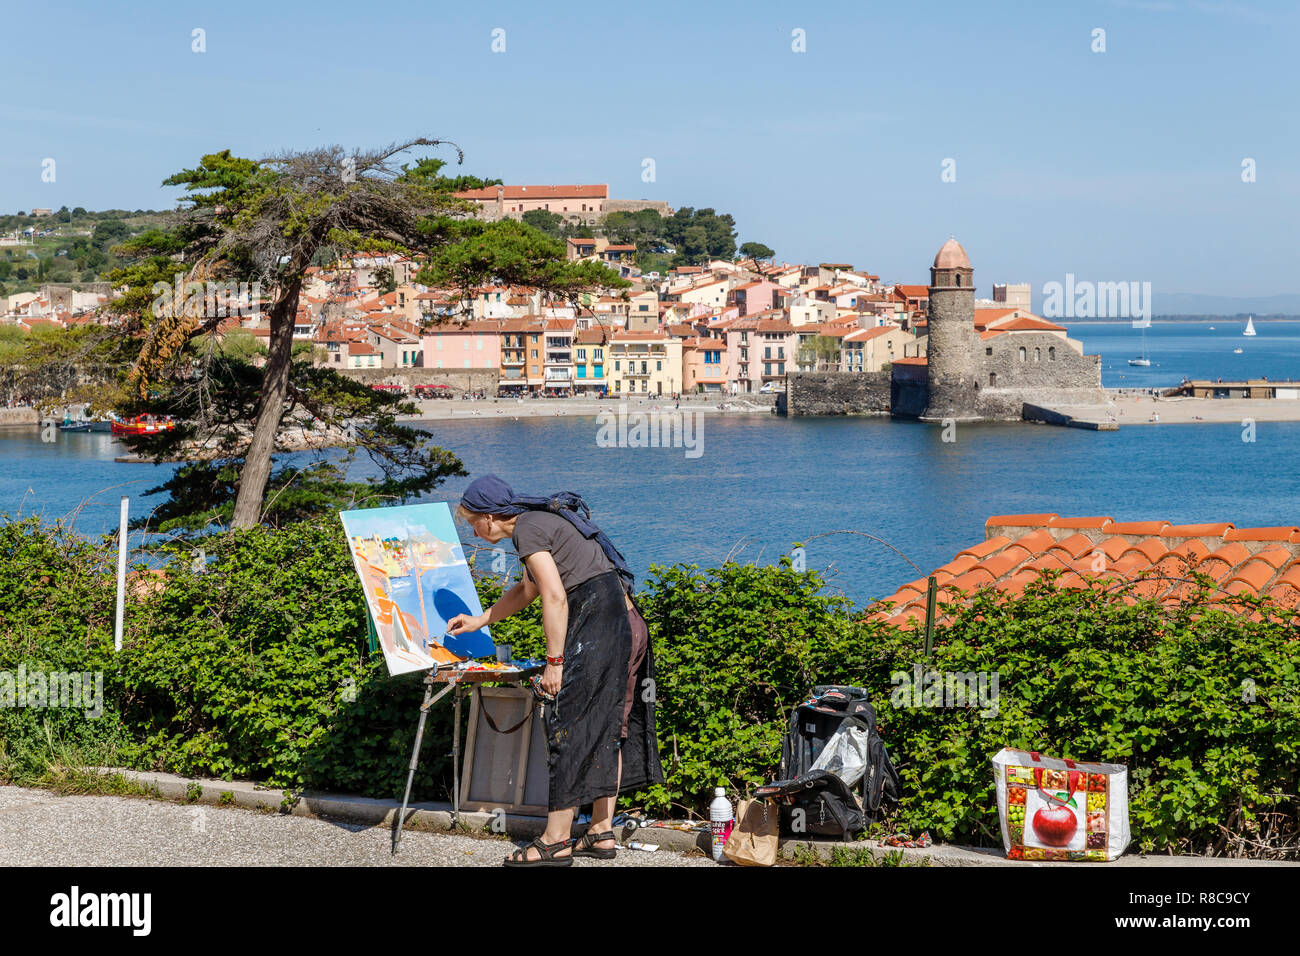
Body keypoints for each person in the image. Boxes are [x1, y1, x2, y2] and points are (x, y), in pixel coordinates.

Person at [447, 475, 663, 867]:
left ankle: (555, 840)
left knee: (571, 726)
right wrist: (479, 621)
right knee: (606, 729)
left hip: (602, 626)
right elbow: (527, 590)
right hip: (629, 625)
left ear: (491, 516)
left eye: (471, 522)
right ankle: (600, 832)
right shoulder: (539, 522)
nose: (473, 531)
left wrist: (555, 662)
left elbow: (554, 595)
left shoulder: (528, 529)